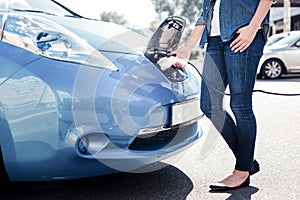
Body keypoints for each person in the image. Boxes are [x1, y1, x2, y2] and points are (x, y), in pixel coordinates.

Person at [170, 0, 275, 191]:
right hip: (214, 41)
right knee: (209, 104)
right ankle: (247, 161)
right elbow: (205, 13)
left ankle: (242, 172)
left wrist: (253, 28)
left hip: (242, 34)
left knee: (240, 106)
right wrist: (187, 47)